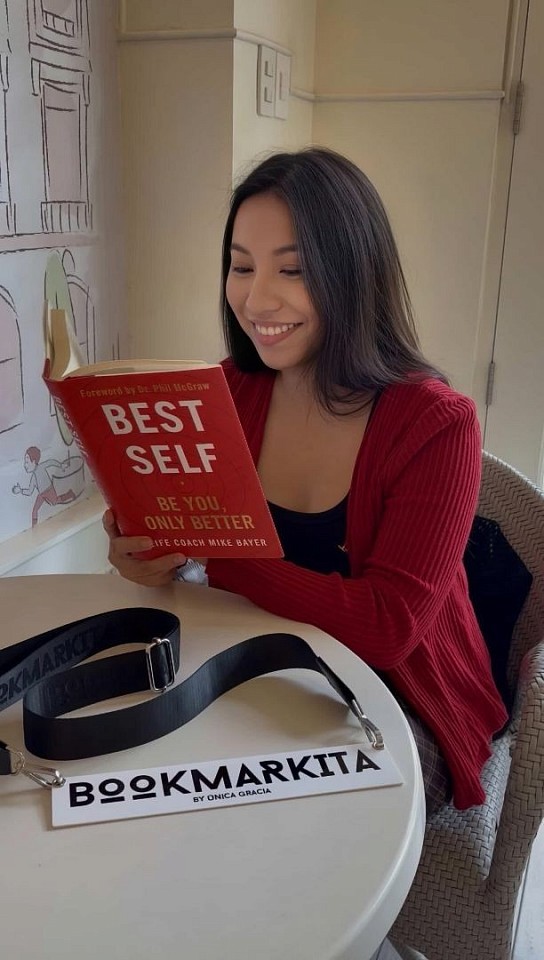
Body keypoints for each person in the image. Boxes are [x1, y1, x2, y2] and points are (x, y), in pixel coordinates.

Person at [104, 147, 508, 816]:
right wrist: (148, 553)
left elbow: (388, 629)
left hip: (405, 695)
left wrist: (216, 556)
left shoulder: (437, 424)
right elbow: (189, 558)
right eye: (241, 266)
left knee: (286, 817)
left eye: (292, 270)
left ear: (353, 273)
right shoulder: (224, 394)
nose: (256, 299)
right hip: (258, 663)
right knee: (145, 771)